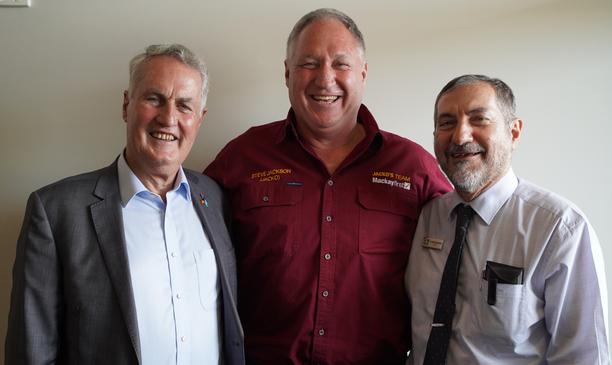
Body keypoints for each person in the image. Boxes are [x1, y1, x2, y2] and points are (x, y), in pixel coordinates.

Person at [203, 8, 452, 365]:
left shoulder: (412, 167)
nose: (325, 79)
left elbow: (463, 254)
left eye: (340, 64)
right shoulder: (242, 158)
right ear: (287, 73)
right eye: (308, 63)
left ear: (362, 74)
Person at [5, 44, 245, 365]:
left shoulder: (214, 198)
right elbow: (31, 350)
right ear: (126, 105)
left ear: (199, 120)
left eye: (184, 106)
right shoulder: (55, 212)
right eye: (154, 98)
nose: (168, 117)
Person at [405, 74, 610, 364]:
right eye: (447, 122)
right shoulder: (427, 217)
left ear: (514, 133)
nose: (460, 136)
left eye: (479, 119)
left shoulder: (560, 229)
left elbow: (583, 356)